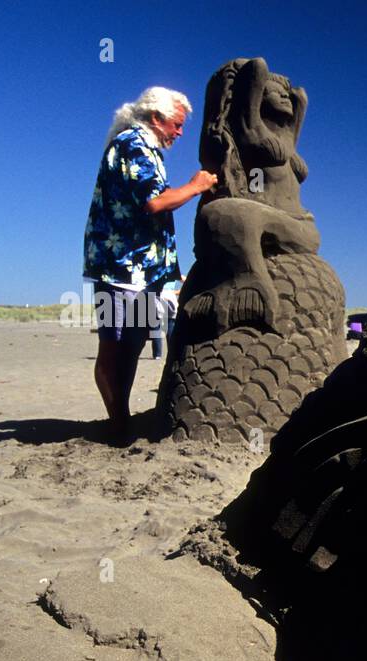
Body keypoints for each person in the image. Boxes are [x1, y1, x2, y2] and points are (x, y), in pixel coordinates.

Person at [84, 86, 217, 442]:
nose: (180, 132)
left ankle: (120, 419)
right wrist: (196, 185)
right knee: (113, 345)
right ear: (156, 118)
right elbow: (155, 203)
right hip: (121, 267)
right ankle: (118, 422)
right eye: (176, 124)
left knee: (134, 340)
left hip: (144, 270)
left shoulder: (149, 148)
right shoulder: (134, 143)